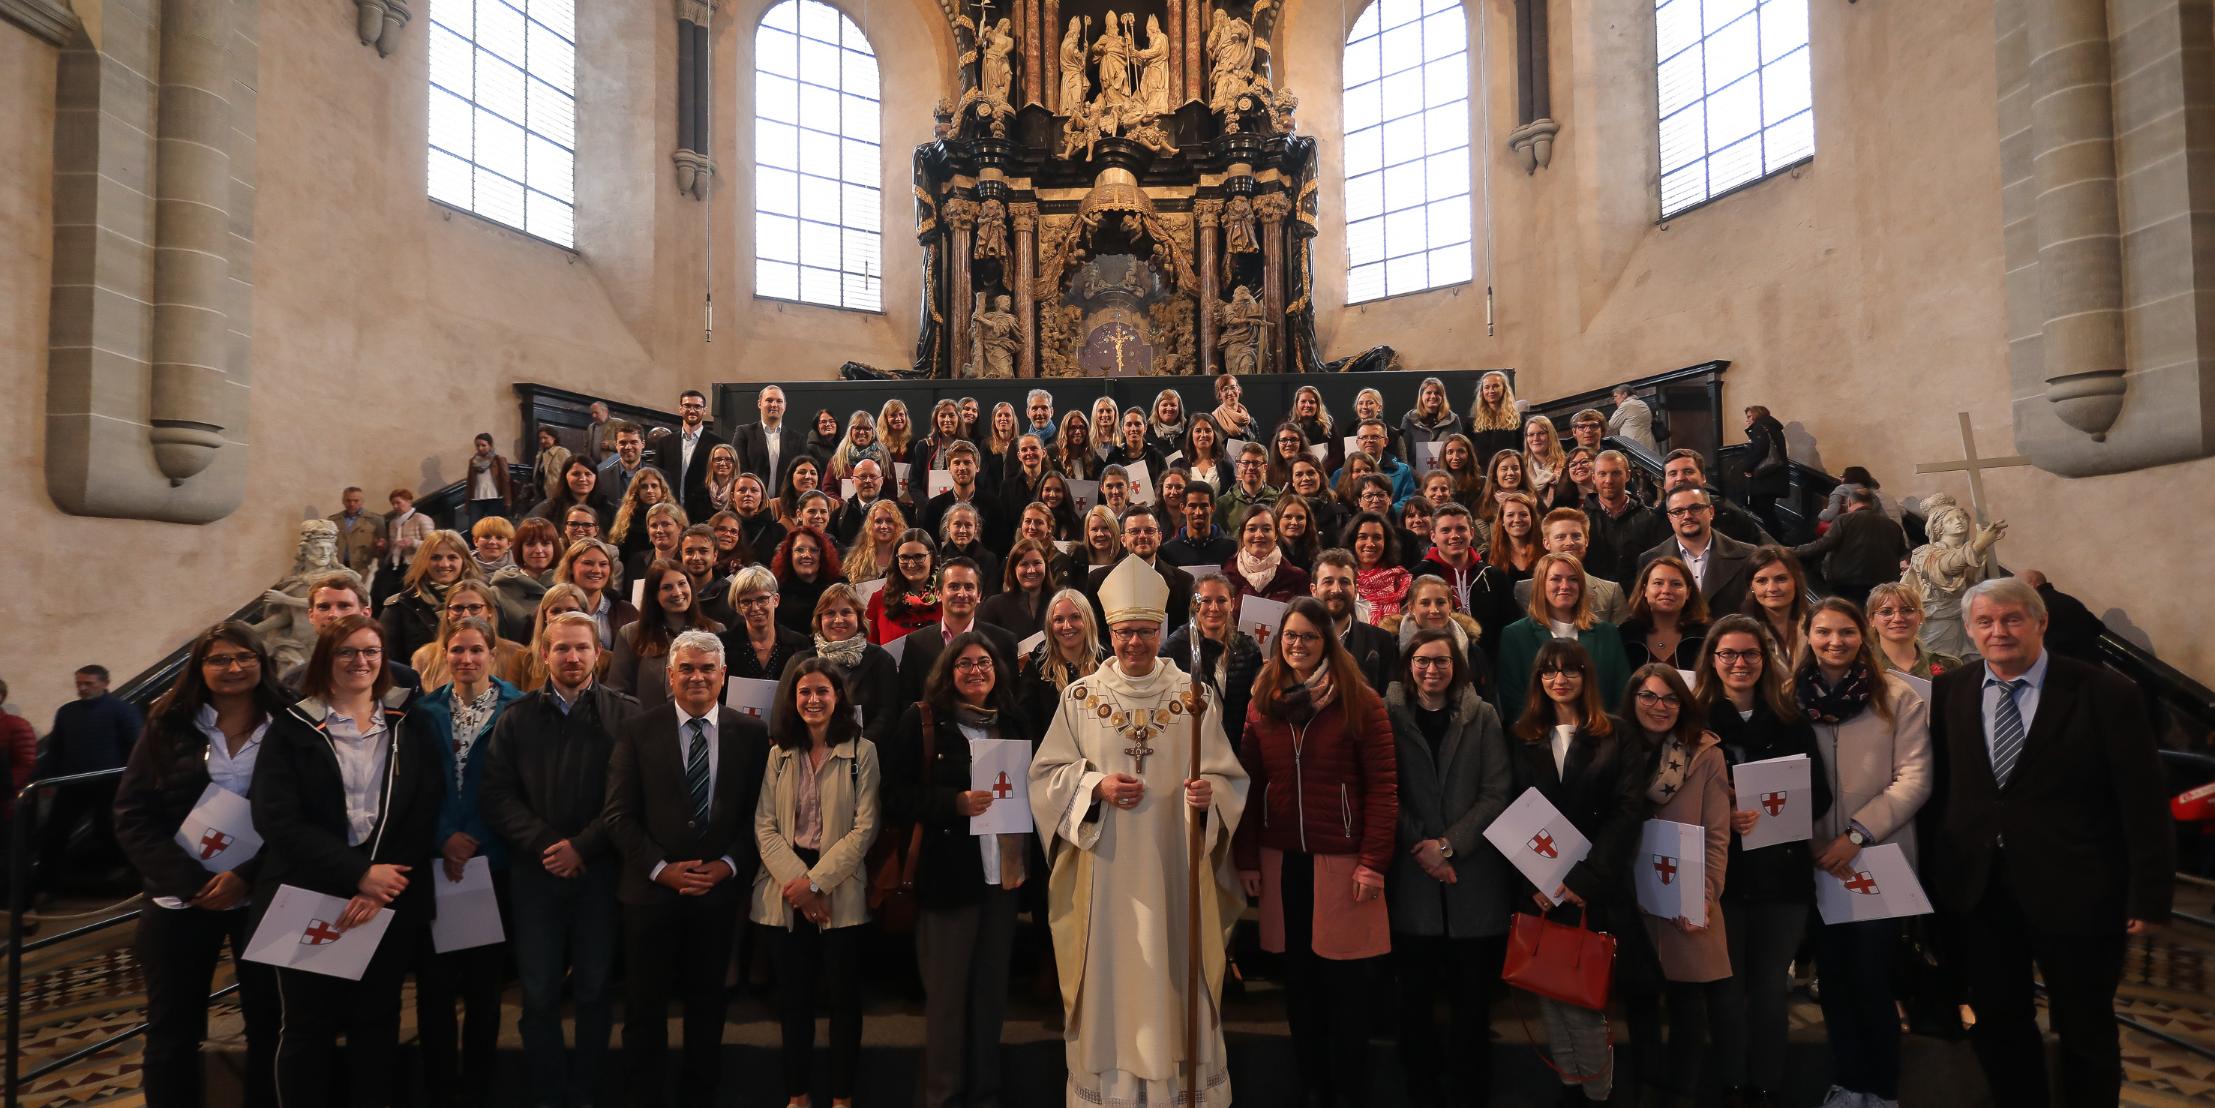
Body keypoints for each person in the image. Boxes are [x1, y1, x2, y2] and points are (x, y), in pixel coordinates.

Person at [1930, 578, 2173, 1108]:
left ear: (2041, 623)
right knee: (1998, 1021)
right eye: (1986, 622)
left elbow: (2143, 801)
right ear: (1969, 629)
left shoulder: (2106, 693)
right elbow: (1945, 791)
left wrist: (2149, 894)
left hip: (2081, 890)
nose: (2000, 631)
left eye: (2013, 618)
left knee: (2086, 1027)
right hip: (1980, 892)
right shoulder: (1951, 691)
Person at [1028, 556, 1249, 1108]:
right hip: (1107, 876)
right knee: (1113, 979)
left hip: (1175, 869)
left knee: (1176, 972)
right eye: (1124, 632)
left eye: (1146, 632)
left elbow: (1228, 778)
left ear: (1160, 631)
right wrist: (1095, 787)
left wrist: (1209, 799)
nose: (1134, 644)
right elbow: (1046, 778)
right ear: (1112, 632)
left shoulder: (1193, 699)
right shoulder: (1080, 699)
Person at [250, 616, 441, 1108]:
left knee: (376, 1022)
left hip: (388, 896)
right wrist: (357, 874)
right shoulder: (293, 727)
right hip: (310, 891)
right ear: (326, 660)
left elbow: (425, 806)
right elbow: (277, 818)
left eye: (372, 652)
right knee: (307, 1026)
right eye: (348, 652)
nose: (362, 662)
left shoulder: (409, 719)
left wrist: (381, 883)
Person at [1235, 596, 1399, 1108]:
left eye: (1308, 636)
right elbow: (1248, 782)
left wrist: (1373, 862)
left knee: (1346, 991)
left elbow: (1384, 789)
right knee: (1301, 989)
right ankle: (1311, 1088)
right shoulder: (1263, 697)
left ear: (1327, 640)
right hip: (1282, 859)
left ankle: (1348, 1092)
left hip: (1343, 862)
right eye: (1290, 636)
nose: (1298, 645)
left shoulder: (1360, 700)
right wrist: (1244, 858)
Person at [112, 624, 284, 1108]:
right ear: (200, 668)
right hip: (181, 895)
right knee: (173, 1028)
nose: (233, 668)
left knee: (272, 1023)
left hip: (263, 892)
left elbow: (305, 813)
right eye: (219, 660)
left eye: (244, 657)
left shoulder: (289, 720)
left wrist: (246, 875)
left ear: (261, 661)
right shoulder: (168, 723)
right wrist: (193, 883)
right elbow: (133, 814)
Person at [604, 629, 768, 1108]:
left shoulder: (752, 734)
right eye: (688, 669)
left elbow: (761, 814)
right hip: (649, 895)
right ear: (670, 675)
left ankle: (700, 1096)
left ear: (723, 676)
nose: (697, 677)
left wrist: (729, 865)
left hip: (717, 895)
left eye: (707, 669)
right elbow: (617, 814)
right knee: (644, 1009)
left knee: (708, 1007)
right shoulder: (637, 729)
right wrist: (661, 869)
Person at [480, 612, 637, 1108]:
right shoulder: (517, 717)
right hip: (536, 875)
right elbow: (498, 796)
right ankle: (548, 1093)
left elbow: (630, 798)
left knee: (593, 991)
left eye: (582, 648)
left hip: (600, 873)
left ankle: (585, 1091)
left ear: (598, 654)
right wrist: (550, 844)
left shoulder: (627, 715)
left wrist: (583, 847)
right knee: (540, 993)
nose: (572, 657)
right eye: (561, 648)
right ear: (544, 654)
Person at [885, 634, 1036, 1108]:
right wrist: (953, 803)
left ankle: (984, 1094)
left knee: (990, 998)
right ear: (948, 672)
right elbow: (893, 795)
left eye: (984, 663)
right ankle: (944, 1097)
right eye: (965, 663)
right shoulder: (924, 721)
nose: (976, 671)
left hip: (1002, 877)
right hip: (948, 876)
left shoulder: (1012, 720)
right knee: (948, 1001)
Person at [1797, 598, 1931, 1108]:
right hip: (1814, 859)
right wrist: (1810, 840)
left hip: (1875, 855)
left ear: (1863, 635)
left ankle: (1881, 1089)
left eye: (1847, 632)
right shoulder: (1790, 696)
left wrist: (1855, 836)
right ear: (1808, 634)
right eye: (1824, 632)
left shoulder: (1897, 696)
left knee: (1873, 979)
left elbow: (1915, 778)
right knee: (1833, 980)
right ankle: (1847, 1082)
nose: (1835, 642)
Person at [1695, 615, 1829, 1108]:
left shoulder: (1791, 720)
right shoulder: (1696, 722)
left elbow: (1819, 796)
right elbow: (1676, 797)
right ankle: (1732, 1084)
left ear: (1764, 660)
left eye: (1750, 654)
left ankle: (1768, 1087)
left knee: (1771, 989)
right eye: (1727, 654)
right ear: (1712, 660)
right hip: (1722, 877)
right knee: (1727, 990)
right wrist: (1720, 813)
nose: (1739, 663)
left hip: (1782, 877)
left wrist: (1781, 807)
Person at [1507, 640, 1645, 1105]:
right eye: (1549, 671)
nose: (1559, 679)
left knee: (1584, 1003)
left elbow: (1627, 810)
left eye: (1570, 671)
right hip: (1541, 888)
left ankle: (1597, 1094)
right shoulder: (1523, 734)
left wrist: (1583, 881)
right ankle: (1570, 1088)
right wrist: (1539, 885)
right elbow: (1514, 814)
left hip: (1594, 889)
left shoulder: (1616, 733)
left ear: (1587, 678)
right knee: (1549, 996)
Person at [1381, 628, 1511, 1107]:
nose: (1431, 670)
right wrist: (1421, 844)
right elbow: (1383, 788)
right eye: (1422, 661)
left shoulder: (1484, 717)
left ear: (1457, 666)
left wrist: (1449, 846)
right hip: (1413, 879)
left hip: (1471, 878)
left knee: (1472, 1007)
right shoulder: (1387, 714)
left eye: (1441, 661)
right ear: (1408, 665)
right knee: (1414, 1007)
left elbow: (1497, 792)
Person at [754, 659, 880, 1108]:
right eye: (804, 692)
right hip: (785, 890)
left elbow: (865, 829)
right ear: (793, 699)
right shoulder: (777, 754)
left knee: (845, 1004)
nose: (812, 700)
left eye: (822, 692)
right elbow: (765, 828)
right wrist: (800, 885)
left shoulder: (861, 751)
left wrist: (818, 884)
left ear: (838, 698)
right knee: (794, 1002)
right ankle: (798, 1095)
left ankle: (843, 1097)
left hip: (839, 886)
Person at [409, 617, 524, 1107]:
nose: (467, 660)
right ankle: (438, 1090)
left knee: (482, 990)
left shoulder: (518, 708)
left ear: (492, 654)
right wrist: (442, 838)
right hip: (436, 862)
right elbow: (413, 786)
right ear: (444, 653)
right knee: (434, 990)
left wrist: (474, 838)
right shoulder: (423, 711)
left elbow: (521, 786)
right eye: (457, 650)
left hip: (490, 863)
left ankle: (476, 1088)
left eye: (476, 650)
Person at [1618, 665, 1731, 1108]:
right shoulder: (1613, 746)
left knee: (1689, 1010)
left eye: (1670, 699)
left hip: (1685, 894)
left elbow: (1718, 832)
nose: (1658, 707)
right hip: (1630, 896)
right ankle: (1647, 1092)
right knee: (1641, 1006)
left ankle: (1680, 1097)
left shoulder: (1704, 752)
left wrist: (1704, 897)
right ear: (1632, 700)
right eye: (1648, 697)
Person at [33, 663, 141, 898]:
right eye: (79, 684)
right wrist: (48, 780)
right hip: (73, 784)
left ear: (104, 684)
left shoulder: (121, 710)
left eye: (88, 684)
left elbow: (137, 746)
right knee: (55, 834)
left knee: (111, 829)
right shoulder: (67, 712)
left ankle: (130, 875)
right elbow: (56, 749)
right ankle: (46, 886)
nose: (82, 688)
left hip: (110, 783)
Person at [1496, 552, 1633, 724]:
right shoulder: (1515, 635)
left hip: (1601, 738)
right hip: (1538, 740)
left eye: (1573, 579)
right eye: (1556, 579)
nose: (1565, 585)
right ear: (1541, 584)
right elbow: (1513, 701)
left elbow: (1622, 695)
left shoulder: (1607, 633)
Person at [896, 557, 1021, 707]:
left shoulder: (1003, 641)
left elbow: (1010, 701)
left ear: (979, 595)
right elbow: (907, 703)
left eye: (969, 587)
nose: (962, 594)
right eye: (954, 586)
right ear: (938, 593)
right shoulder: (916, 643)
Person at [1164, 573, 1265, 750]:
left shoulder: (1248, 649)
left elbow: (1254, 708)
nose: (1214, 608)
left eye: (1221, 600)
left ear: (1232, 604)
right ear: (1195, 605)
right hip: (1189, 747)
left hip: (1234, 746)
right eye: (1206, 601)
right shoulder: (1174, 648)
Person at [610, 559, 726, 710]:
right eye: (667, 587)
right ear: (654, 595)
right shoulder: (631, 635)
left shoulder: (715, 631)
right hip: (650, 726)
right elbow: (617, 692)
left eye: (682, 584)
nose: (677, 592)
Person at [804, 583, 902, 745]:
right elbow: (785, 713)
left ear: (859, 617)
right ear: (819, 619)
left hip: (867, 755)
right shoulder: (801, 661)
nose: (838, 620)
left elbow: (888, 715)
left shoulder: (882, 660)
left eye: (846, 612)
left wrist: (859, 749)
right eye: (829, 613)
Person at [1640, 486, 1758, 617]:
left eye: (1695, 508)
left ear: (1711, 512)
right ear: (1670, 518)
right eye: (1678, 511)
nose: (1687, 516)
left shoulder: (1747, 555)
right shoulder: (1649, 560)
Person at [1083, 504, 1194, 640]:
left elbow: (1186, 636)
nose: (1142, 536)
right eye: (1134, 531)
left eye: (1149, 531)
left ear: (1159, 538)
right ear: (1123, 540)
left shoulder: (1184, 582)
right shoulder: (1098, 580)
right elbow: (1095, 636)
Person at [1790, 486, 1909, 604]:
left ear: (1850, 502)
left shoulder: (1843, 520)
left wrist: (1791, 551)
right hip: (1883, 585)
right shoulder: (1892, 525)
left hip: (1847, 582)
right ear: (1872, 503)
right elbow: (1903, 554)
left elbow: (1822, 545)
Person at [1016, 588, 1107, 738]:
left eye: (1075, 617)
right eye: (1059, 619)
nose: (1067, 626)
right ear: (1050, 625)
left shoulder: (1106, 663)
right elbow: (1027, 725)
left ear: (1088, 620)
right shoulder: (1037, 666)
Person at [1513, 508, 1629, 623]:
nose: (1569, 543)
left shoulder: (1611, 592)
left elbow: (1619, 639)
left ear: (1586, 541)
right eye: (1560, 537)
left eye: (1576, 536)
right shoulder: (1523, 590)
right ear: (1546, 543)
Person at [408, 581, 530, 688]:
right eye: (458, 608)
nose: (466, 614)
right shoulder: (423, 657)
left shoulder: (515, 654)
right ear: (448, 614)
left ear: (490, 612)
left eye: (474, 607)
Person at [1310, 547, 1399, 691]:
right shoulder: (1292, 640)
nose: (1336, 589)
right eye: (1328, 581)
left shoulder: (1382, 641)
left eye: (1344, 582)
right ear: (1313, 590)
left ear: (1356, 590)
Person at [1584, 451, 1663, 589]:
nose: (1608, 480)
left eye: (1615, 473)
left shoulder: (1650, 519)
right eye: (1602, 474)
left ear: (1628, 475)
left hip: (1637, 598)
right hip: (1594, 597)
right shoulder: (1580, 519)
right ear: (1593, 478)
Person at [1619, 555, 1710, 671]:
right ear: (1644, 590)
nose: (1666, 590)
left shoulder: (1706, 635)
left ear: (1688, 592)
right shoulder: (1625, 635)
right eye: (1658, 583)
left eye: (1676, 584)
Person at [553, 537, 638, 649]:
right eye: (588, 563)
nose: (597, 570)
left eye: (603, 564)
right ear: (570, 568)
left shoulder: (627, 611)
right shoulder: (553, 608)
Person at [1865, 582, 1960, 681]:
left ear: (1921, 616)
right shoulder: (1863, 666)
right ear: (1871, 620)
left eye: (1907, 610)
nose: (1898, 619)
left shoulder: (1948, 665)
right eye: (1886, 612)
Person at [1222, 503, 1307, 604]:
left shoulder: (1297, 578)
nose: (1259, 535)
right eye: (1251, 529)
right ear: (1242, 535)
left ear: (1275, 534)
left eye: (1266, 529)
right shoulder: (1226, 576)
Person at [868, 528, 941, 644]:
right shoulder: (878, 600)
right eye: (904, 557)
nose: (911, 564)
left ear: (931, 557)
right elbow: (870, 651)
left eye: (918, 557)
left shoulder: (948, 597)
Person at [771, 524, 846, 637]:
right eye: (799, 550)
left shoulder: (839, 586)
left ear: (823, 554)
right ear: (789, 555)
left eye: (814, 550)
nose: (806, 555)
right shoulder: (776, 590)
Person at [978, 537, 1056, 642]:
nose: (1031, 570)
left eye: (1037, 563)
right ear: (1013, 569)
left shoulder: (1059, 602)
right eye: (1024, 564)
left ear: (1046, 566)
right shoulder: (994, 605)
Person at [734, 385, 809, 492]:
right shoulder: (744, 433)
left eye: (779, 401)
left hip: (784, 503)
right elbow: (739, 469)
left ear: (785, 406)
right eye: (769, 400)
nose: (774, 405)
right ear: (759, 404)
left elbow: (802, 473)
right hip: (753, 501)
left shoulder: (797, 439)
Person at [1745, 545, 1811, 665]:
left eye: (1781, 579)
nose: (1772, 588)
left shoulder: (1818, 625)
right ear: (1751, 586)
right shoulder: (1740, 631)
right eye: (1761, 581)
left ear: (1796, 581)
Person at [1345, 511, 1411, 627]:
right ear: (1352, 541)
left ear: (1386, 543)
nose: (1370, 543)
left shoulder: (1401, 583)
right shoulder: (1342, 583)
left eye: (1377, 537)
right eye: (1362, 537)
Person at [377, 487, 438, 604]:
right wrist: (384, 546)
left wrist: (413, 542)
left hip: (414, 563)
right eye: (393, 504)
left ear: (409, 501)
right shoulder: (393, 523)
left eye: (398, 503)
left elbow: (433, 544)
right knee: (382, 591)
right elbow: (392, 547)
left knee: (409, 595)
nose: (395, 506)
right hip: (396, 564)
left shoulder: (421, 519)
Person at [1742, 405, 1790, 537]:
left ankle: (1776, 538)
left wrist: (1747, 467)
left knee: (1764, 509)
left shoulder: (1760, 427)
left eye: (1749, 417)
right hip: (1775, 475)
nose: (1747, 420)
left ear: (1757, 415)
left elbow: (1760, 450)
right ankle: (1777, 535)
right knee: (1766, 509)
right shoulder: (1772, 427)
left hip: (1765, 477)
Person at [1218, 442, 1280, 530]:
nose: (1250, 467)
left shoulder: (1278, 500)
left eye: (1256, 463)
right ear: (1238, 466)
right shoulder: (1224, 503)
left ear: (1265, 467)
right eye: (1245, 463)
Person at [1399, 375, 1464, 454]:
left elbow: (1459, 449)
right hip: (1413, 466)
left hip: (1444, 466)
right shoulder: (1409, 419)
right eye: (1428, 393)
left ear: (1442, 396)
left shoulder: (1453, 419)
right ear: (1421, 396)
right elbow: (1402, 453)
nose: (1433, 396)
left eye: (1437, 393)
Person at [462, 432, 514, 528]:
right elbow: (469, 483)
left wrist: (507, 501)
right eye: (477, 445)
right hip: (476, 498)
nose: (480, 448)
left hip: (494, 498)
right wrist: (467, 503)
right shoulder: (473, 461)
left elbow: (505, 481)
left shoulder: (498, 459)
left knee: (493, 527)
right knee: (473, 527)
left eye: (483, 445)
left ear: (490, 445)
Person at [1466, 371, 1522, 461]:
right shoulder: (1471, 423)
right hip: (1481, 473)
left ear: (1504, 389)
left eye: (1496, 386)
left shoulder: (1518, 420)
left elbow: (1523, 451)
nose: (1491, 391)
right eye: (1487, 387)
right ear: (1482, 391)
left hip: (1508, 472)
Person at [331, 485, 383, 579]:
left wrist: (381, 545)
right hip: (339, 567)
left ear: (362, 501)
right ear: (343, 501)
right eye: (348, 500)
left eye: (356, 501)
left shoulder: (375, 520)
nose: (352, 504)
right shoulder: (333, 520)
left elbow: (384, 545)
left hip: (363, 569)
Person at [1816, 466, 1897, 524]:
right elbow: (1885, 519)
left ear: (1847, 478)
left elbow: (1829, 515)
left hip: (1846, 533)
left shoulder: (1841, 490)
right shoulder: (1872, 495)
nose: (1841, 479)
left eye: (1842, 476)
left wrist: (1822, 513)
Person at [599, 423, 651, 503]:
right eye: (623, 443)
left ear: (643, 444)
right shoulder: (602, 477)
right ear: (616, 445)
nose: (628, 447)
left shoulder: (660, 476)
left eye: (634, 442)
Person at [1181, 412, 1233, 492]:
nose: (1203, 435)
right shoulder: (1178, 465)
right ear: (1191, 434)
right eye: (1198, 431)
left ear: (1214, 434)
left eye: (1208, 431)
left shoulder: (1226, 467)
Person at [1272, 492, 1323, 570]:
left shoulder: (1316, 555)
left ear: (1307, 521)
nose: (1294, 522)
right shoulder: (1267, 554)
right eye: (1288, 517)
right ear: (1277, 520)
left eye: (1300, 518)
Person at [1607, 385, 1660, 455]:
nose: (1614, 400)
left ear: (1624, 394)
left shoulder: (1626, 405)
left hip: (1634, 446)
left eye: (1616, 396)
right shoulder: (1642, 403)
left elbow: (1611, 425)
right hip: (1649, 445)